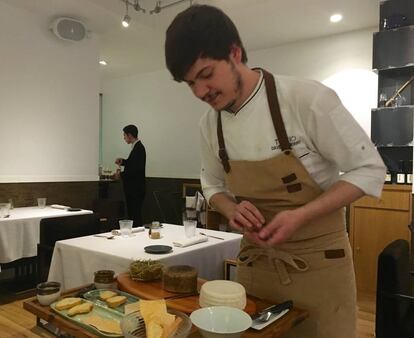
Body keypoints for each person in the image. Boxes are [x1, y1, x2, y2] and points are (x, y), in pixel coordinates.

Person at [165, 5, 386, 338]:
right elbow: (211, 184)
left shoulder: (306, 98)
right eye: (190, 83)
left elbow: (369, 169)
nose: (200, 92)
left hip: (320, 264)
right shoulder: (210, 125)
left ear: (234, 52)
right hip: (257, 264)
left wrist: (300, 216)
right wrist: (231, 208)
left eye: (206, 74)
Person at [115, 124, 146, 227]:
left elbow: (135, 170)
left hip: (135, 189)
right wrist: (123, 161)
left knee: (135, 215)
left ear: (129, 135)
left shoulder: (138, 148)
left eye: (124, 135)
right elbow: (132, 164)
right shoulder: (137, 147)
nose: (123, 138)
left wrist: (120, 175)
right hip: (136, 188)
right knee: (134, 214)